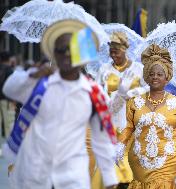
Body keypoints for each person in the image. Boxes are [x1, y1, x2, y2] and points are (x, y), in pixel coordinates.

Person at [2, 19, 118, 189]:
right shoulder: (39, 84)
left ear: (82, 53)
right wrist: (31, 75)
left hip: (72, 177)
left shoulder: (94, 93)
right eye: (61, 50)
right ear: (54, 54)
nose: (66, 54)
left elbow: (102, 139)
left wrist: (109, 178)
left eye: (72, 49)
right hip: (35, 175)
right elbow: (8, 89)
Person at [116, 44, 176, 188]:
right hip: (139, 159)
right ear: (146, 77)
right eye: (151, 74)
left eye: (159, 74)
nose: (155, 77)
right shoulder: (135, 101)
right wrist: (120, 145)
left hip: (168, 159)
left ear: (166, 78)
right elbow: (128, 127)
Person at [93, 32, 148, 189]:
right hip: (111, 118)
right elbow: (97, 93)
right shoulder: (104, 69)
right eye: (111, 51)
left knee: (129, 163)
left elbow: (149, 88)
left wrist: (134, 92)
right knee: (111, 162)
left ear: (124, 50)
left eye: (116, 51)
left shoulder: (138, 69)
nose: (113, 55)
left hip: (132, 119)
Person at [0, 51, 15, 155]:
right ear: (9, 59)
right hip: (6, 100)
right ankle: (7, 149)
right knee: (8, 124)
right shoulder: (10, 70)